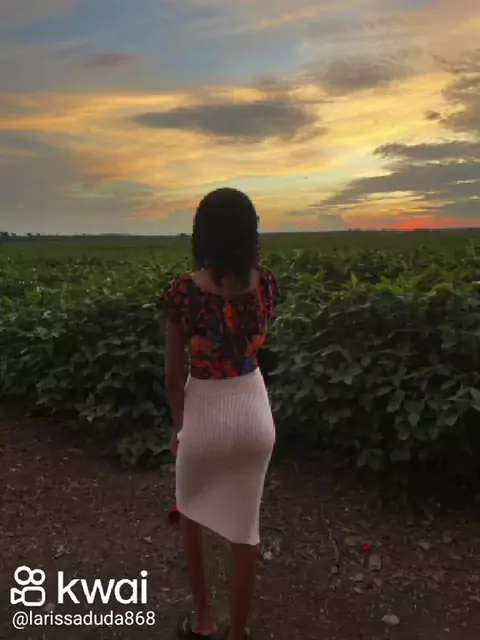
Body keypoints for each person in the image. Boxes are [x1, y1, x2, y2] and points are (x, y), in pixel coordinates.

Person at [158, 187, 279, 640]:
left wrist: (181, 428)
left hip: (204, 411)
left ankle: (205, 620)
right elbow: (254, 345)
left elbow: (173, 375)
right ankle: (239, 632)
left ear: (202, 233)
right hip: (254, 412)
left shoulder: (183, 292)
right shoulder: (265, 284)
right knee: (245, 530)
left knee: (191, 512)